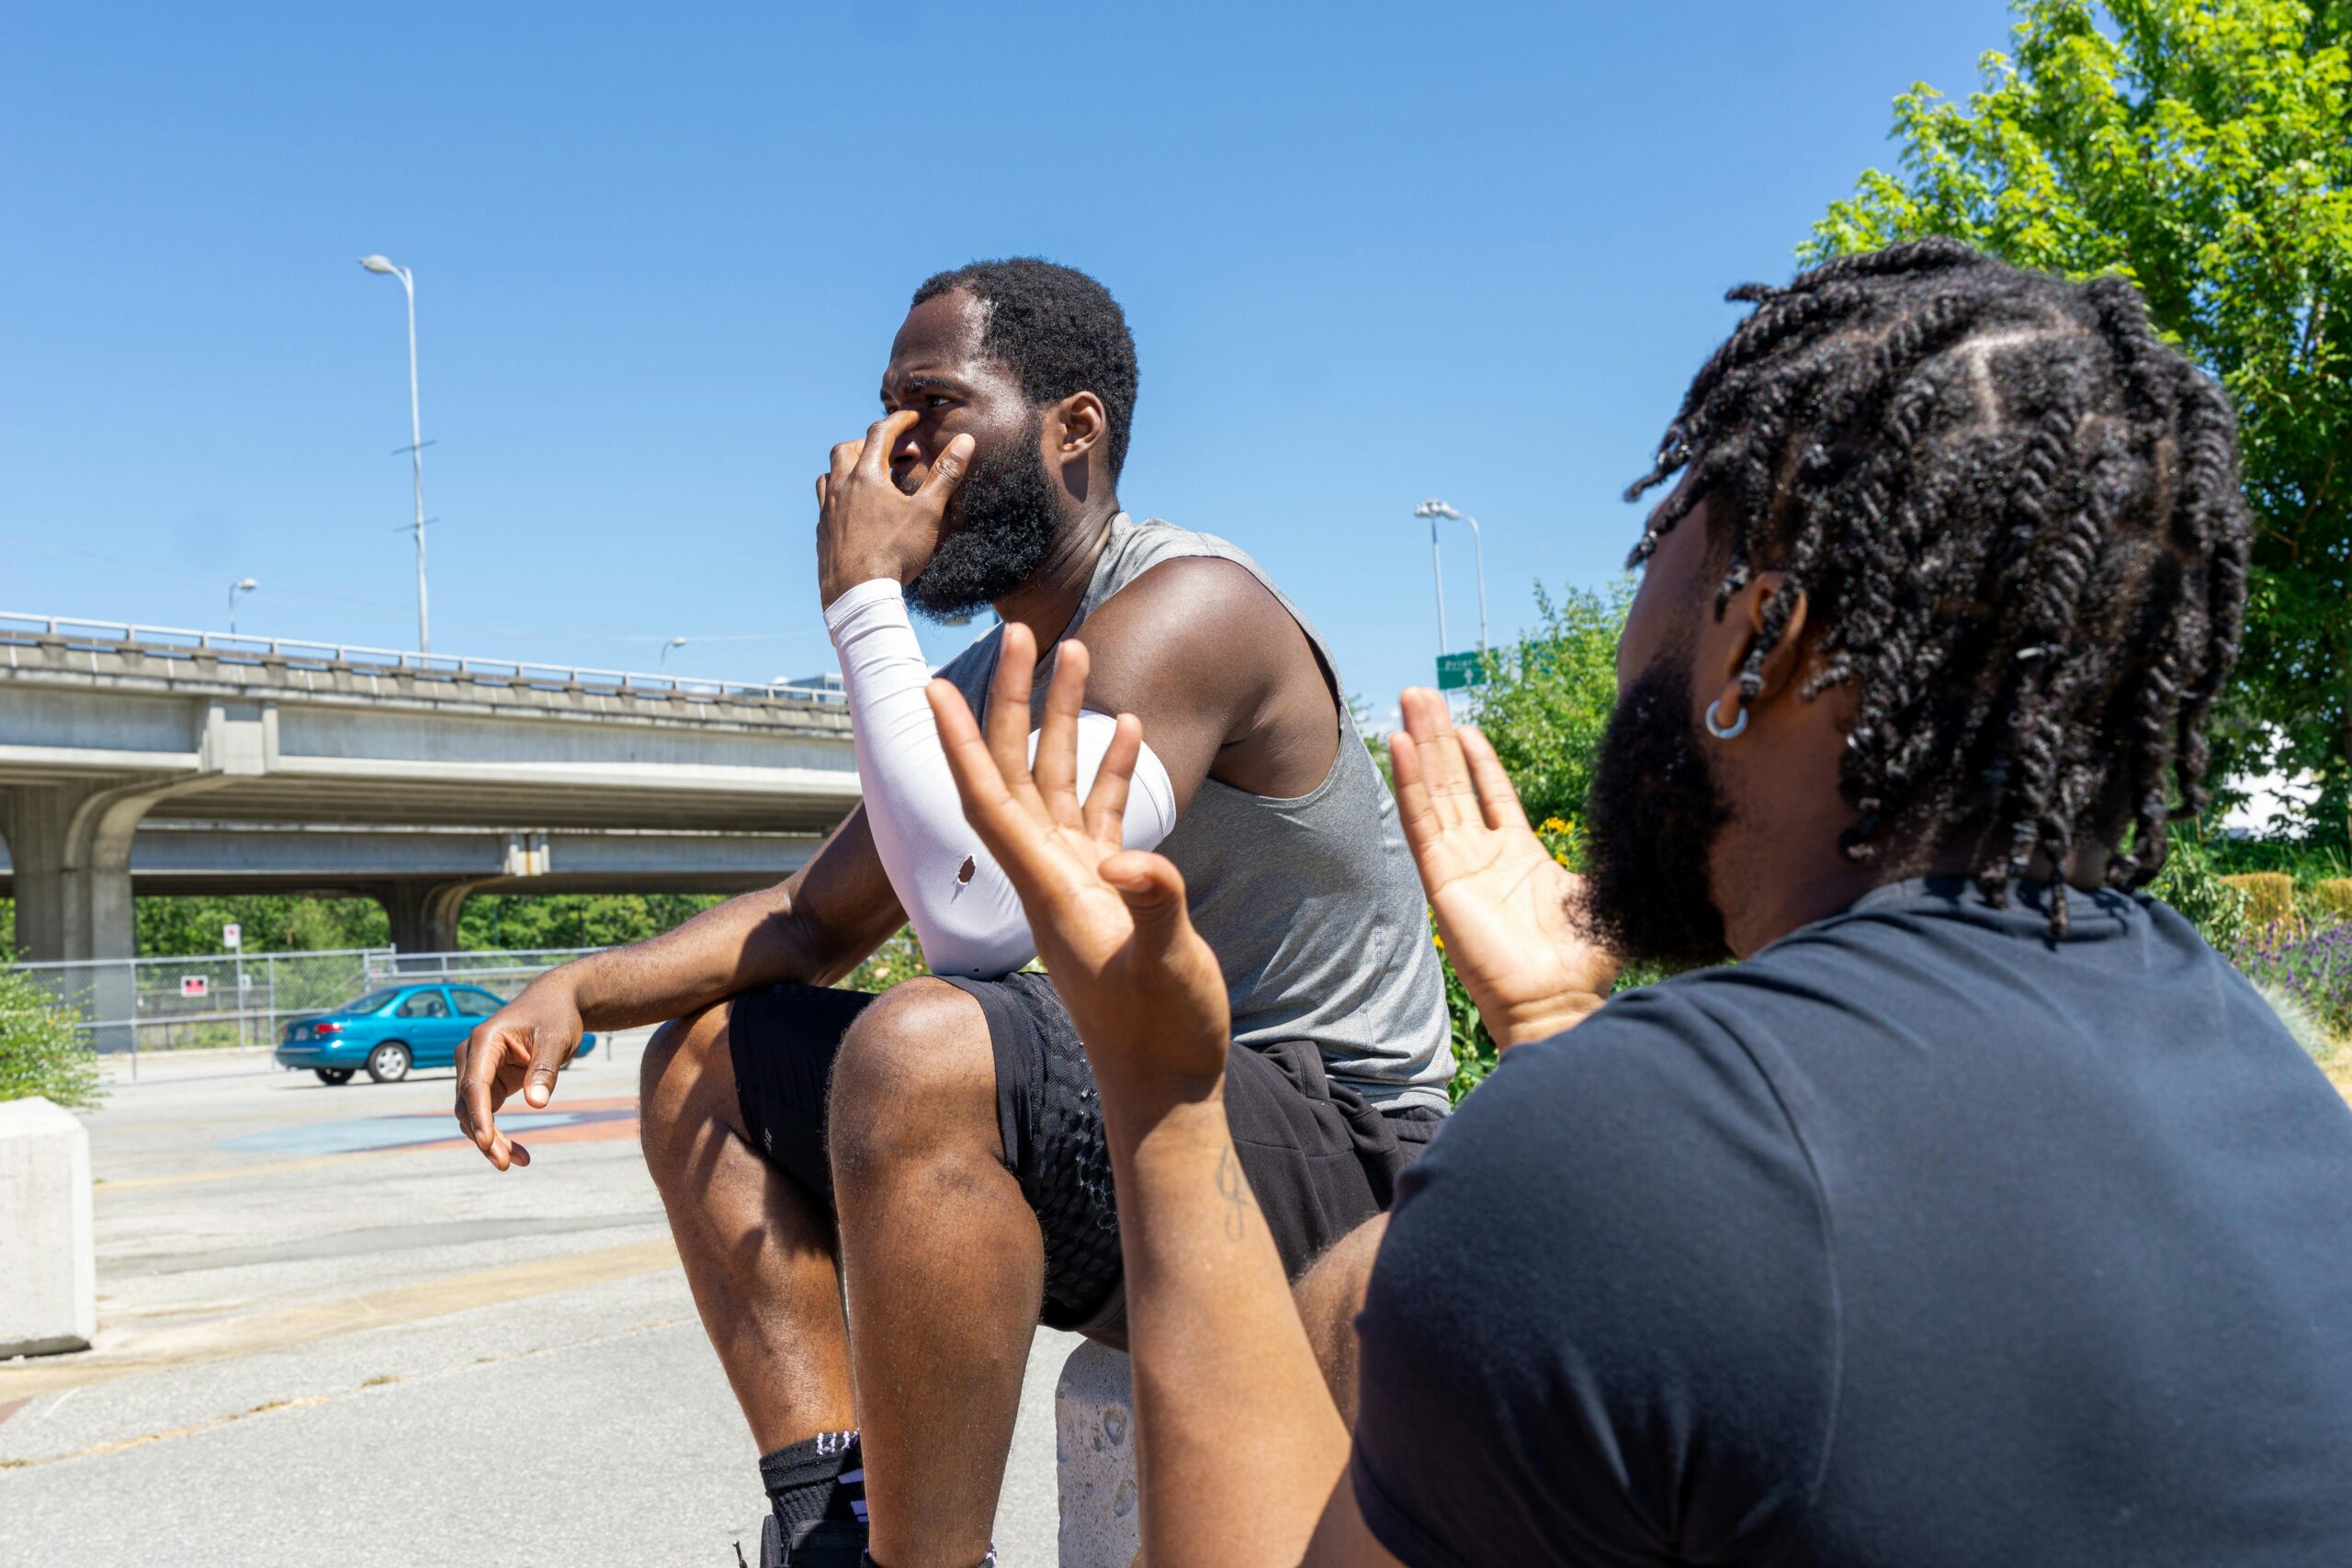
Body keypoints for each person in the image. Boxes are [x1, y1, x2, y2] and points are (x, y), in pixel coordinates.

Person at [926, 239, 2352, 1566]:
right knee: (1372, 1298)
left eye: (1664, 542)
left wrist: (1162, 1101)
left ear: (1761, 641)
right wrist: (1549, 1026)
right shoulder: (2272, 1089)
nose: (1620, 645)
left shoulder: (1634, 1158)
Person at [452, 258, 1453, 1568]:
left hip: (1341, 1160)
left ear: (1073, 431)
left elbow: (981, 920)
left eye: (932, 403)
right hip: (1156, 1116)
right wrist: (579, 988)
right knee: (703, 1057)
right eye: (883, 408)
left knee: (924, 1047)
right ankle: (830, 1524)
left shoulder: (1196, 611)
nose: (887, 449)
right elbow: (818, 918)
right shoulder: (988, 674)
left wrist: (866, 606)